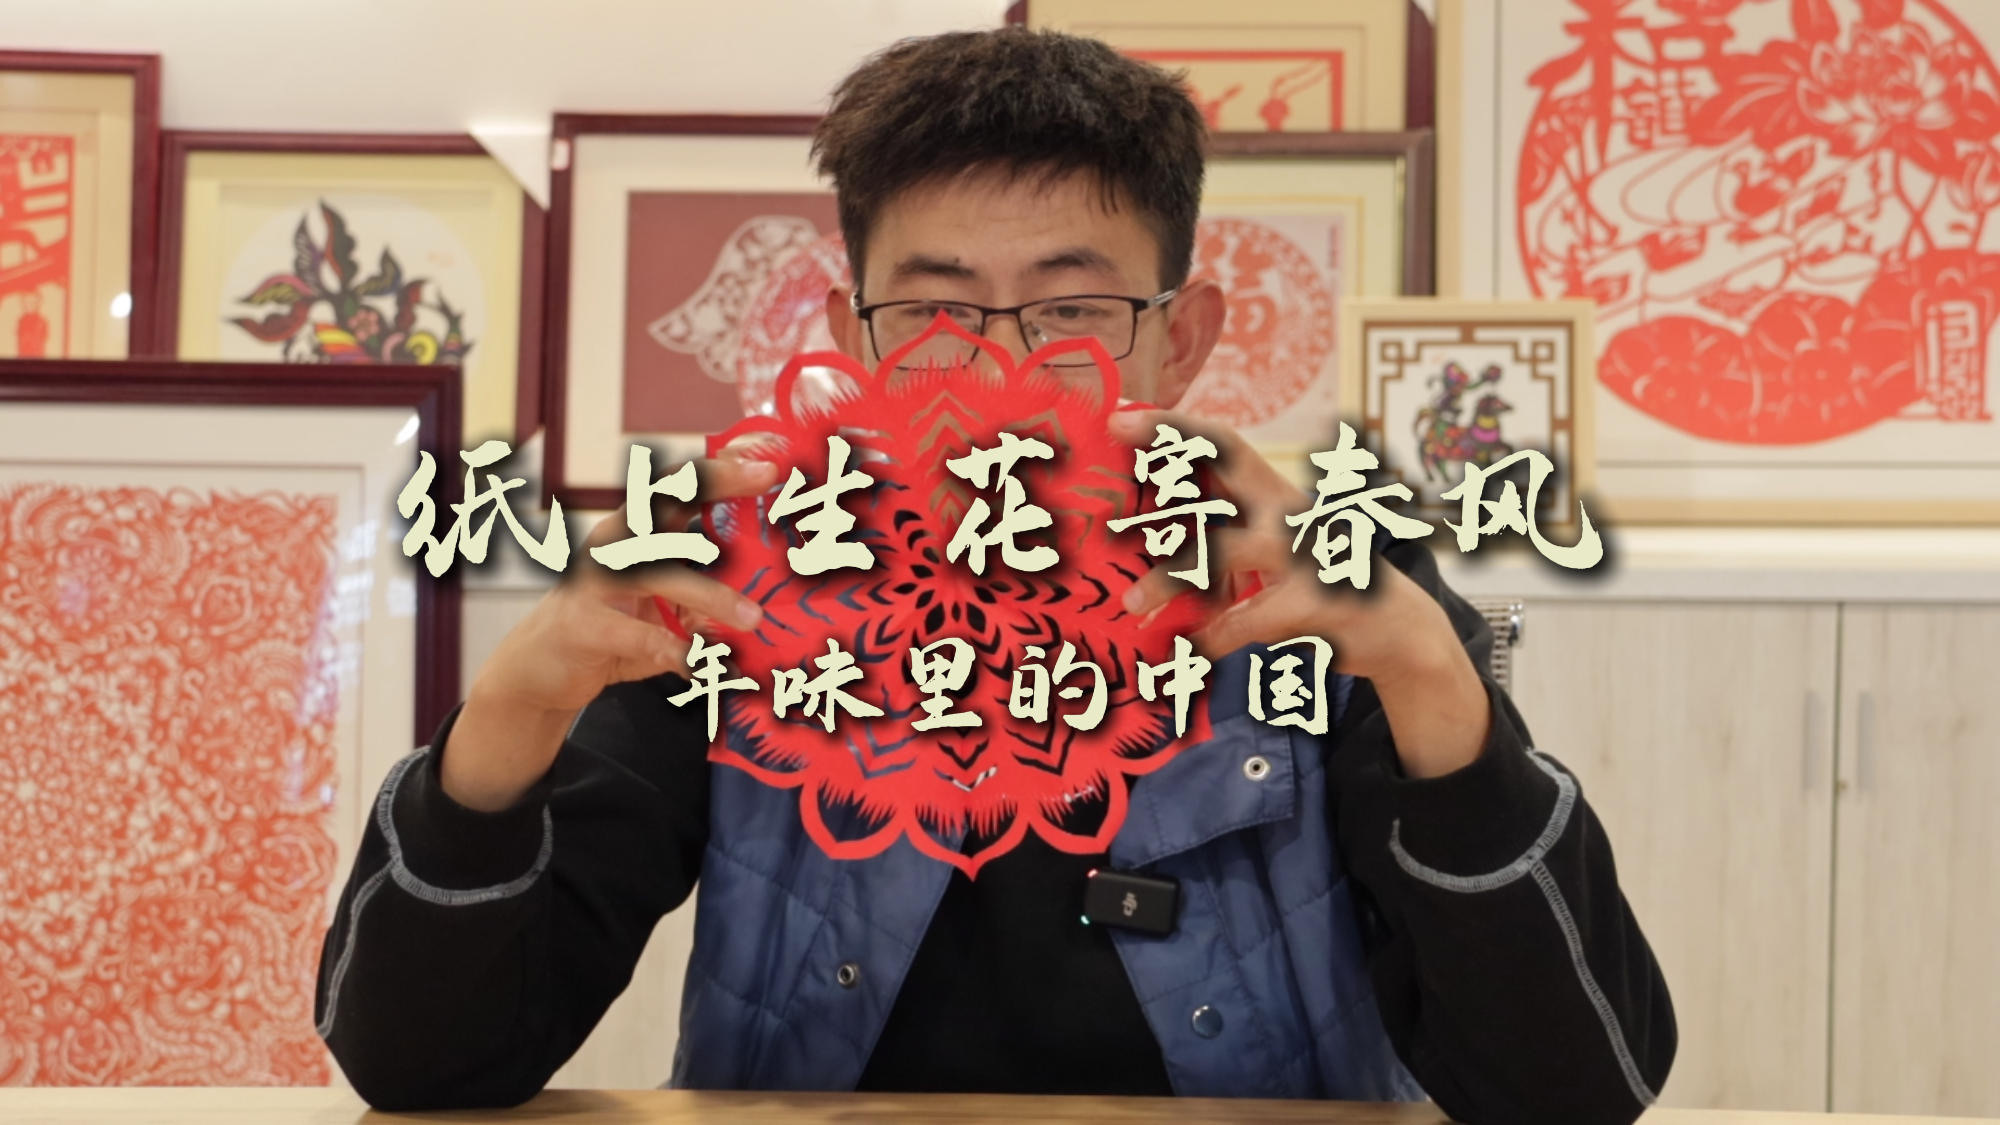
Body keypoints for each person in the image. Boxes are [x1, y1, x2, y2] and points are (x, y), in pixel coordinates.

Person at [315, 28, 1674, 1124]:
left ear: (1182, 337)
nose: (1002, 372)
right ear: (855, 332)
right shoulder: (738, 584)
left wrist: (1434, 680)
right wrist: (509, 719)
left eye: (1074, 307)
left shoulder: (1321, 580)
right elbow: (424, 1069)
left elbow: (1573, 1090)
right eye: (934, 310)